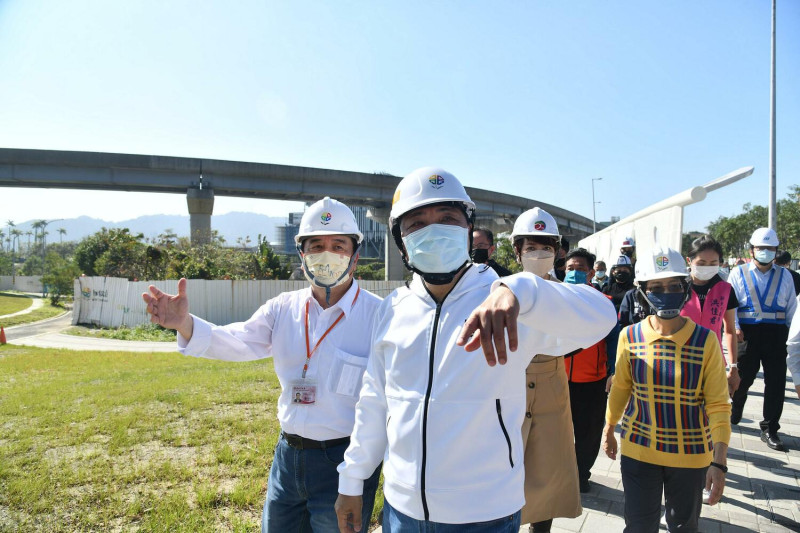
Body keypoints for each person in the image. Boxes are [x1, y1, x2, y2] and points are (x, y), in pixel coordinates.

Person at [334, 168, 616, 533]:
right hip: (402, 511)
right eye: (416, 223)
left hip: (486, 513)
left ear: (468, 229)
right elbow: (374, 401)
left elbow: (601, 315)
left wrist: (522, 291)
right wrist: (351, 481)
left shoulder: (506, 299)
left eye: (447, 219)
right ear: (400, 242)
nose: (433, 230)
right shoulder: (393, 308)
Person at [143, 197, 382, 533]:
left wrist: (355, 482)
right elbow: (239, 341)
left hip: (343, 461)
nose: (326, 254)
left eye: (338, 245)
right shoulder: (283, 308)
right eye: (316, 245)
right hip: (288, 456)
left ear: (355, 256)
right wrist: (185, 324)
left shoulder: (378, 316)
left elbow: (385, 406)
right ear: (302, 256)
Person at [602, 246, 731, 533]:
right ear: (643, 291)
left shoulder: (705, 340)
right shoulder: (630, 336)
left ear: (686, 288)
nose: (666, 292)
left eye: (674, 285)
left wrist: (719, 462)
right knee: (638, 526)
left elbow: (719, 406)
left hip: (691, 456)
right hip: (638, 452)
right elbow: (621, 388)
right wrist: (609, 428)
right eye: (657, 286)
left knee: (684, 527)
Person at [509, 208, 583, 532]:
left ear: (557, 251)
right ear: (517, 251)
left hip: (552, 382)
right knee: (503, 469)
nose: (539, 254)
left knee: (549, 472)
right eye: (531, 247)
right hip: (509, 383)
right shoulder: (502, 290)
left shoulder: (567, 294)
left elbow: (583, 335)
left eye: (547, 247)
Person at [728, 227, 797, 451]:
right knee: (743, 378)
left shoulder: (785, 275)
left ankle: (770, 428)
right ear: (752, 250)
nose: (765, 252)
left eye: (770, 249)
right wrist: (735, 327)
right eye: (761, 248)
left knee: (776, 383)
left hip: (776, 334)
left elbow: (791, 307)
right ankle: (736, 406)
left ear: (776, 251)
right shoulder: (738, 272)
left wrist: (791, 335)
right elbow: (732, 304)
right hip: (746, 333)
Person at [562, 248, 617, 495]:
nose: (574, 273)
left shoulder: (604, 302)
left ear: (592, 272)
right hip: (558, 379)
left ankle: (581, 476)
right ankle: (559, 476)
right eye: (570, 268)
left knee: (588, 434)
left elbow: (614, 342)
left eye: (580, 269)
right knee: (556, 432)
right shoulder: (555, 298)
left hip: (593, 381)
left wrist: (613, 372)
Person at [681, 235, 741, 396]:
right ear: (689, 260)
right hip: (678, 362)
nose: (707, 267)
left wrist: (733, 367)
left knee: (712, 414)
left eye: (713, 263)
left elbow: (729, 330)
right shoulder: (677, 287)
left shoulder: (726, 289)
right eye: (701, 263)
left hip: (713, 362)